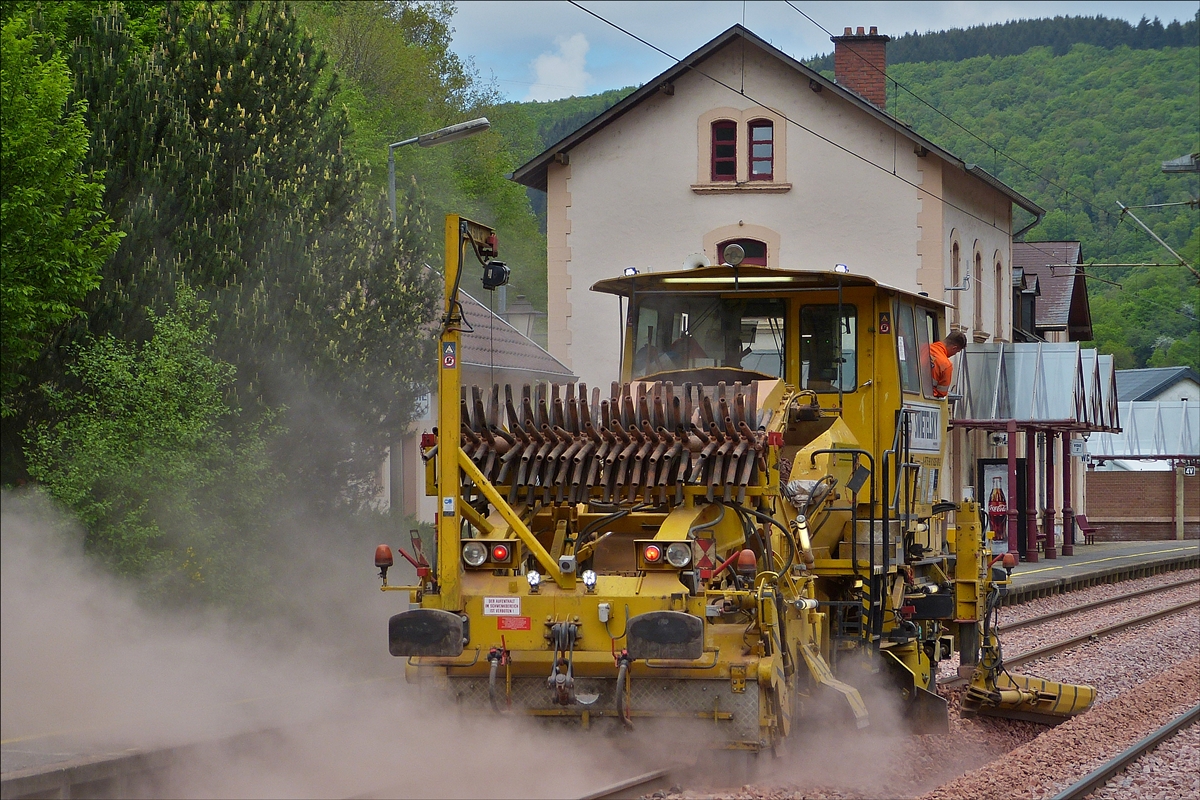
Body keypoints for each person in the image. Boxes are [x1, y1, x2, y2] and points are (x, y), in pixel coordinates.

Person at [930, 331, 967, 398]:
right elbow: (942, 393)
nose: (954, 354)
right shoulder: (946, 365)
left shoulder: (924, 348)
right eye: (956, 352)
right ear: (954, 348)